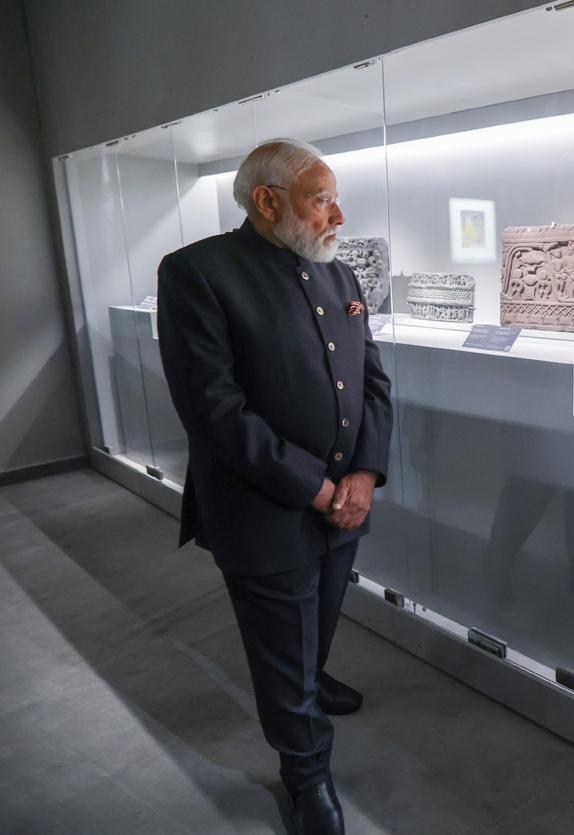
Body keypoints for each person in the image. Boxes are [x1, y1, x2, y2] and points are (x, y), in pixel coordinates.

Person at [157, 138, 392, 835]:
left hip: (343, 501)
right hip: (263, 506)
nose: (338, 216)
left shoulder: (339, 275)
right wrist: (317, 487)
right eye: (322, 200)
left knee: (319, 616)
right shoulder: (197, 273)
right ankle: (305, 772)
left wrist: (363, 473)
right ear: (267, 200)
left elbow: (373, 381)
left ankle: (310, 679)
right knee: (281, 638)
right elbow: (214, 410)